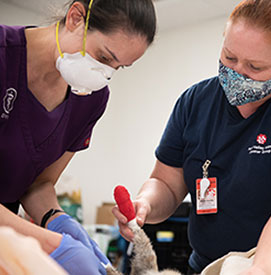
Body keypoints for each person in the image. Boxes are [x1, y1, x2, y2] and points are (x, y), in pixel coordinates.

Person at [113, 0, 271, 274]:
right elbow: (165, 182)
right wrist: (145, 205)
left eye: (254, 67)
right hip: (212, 266)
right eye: (229, 57)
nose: (237, 73)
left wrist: (258, 270)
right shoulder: (195, 103)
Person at [0, 0, 156, 274]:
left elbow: (39, 185)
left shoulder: (91, 99)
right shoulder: (4, 56)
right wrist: (52, 244)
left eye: (118, 68)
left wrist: (57, 219)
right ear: (75, 18)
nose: (105, 74)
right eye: (105, 57)